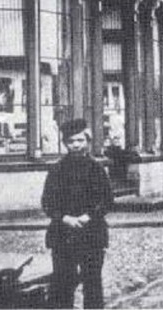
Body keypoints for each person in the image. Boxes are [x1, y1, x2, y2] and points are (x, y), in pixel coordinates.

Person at [41, 119, 112, 309]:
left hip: (92, 234)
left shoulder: (96, 169)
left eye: (80, 140)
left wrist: (89, 216)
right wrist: (65, 218)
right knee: (63, 284)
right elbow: (47, 202)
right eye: (71, 141)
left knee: (92, 283)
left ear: (87, 141)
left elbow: (106, 200)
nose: (76, 145)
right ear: (65, 144)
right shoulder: (56, 170)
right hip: (63, 234)